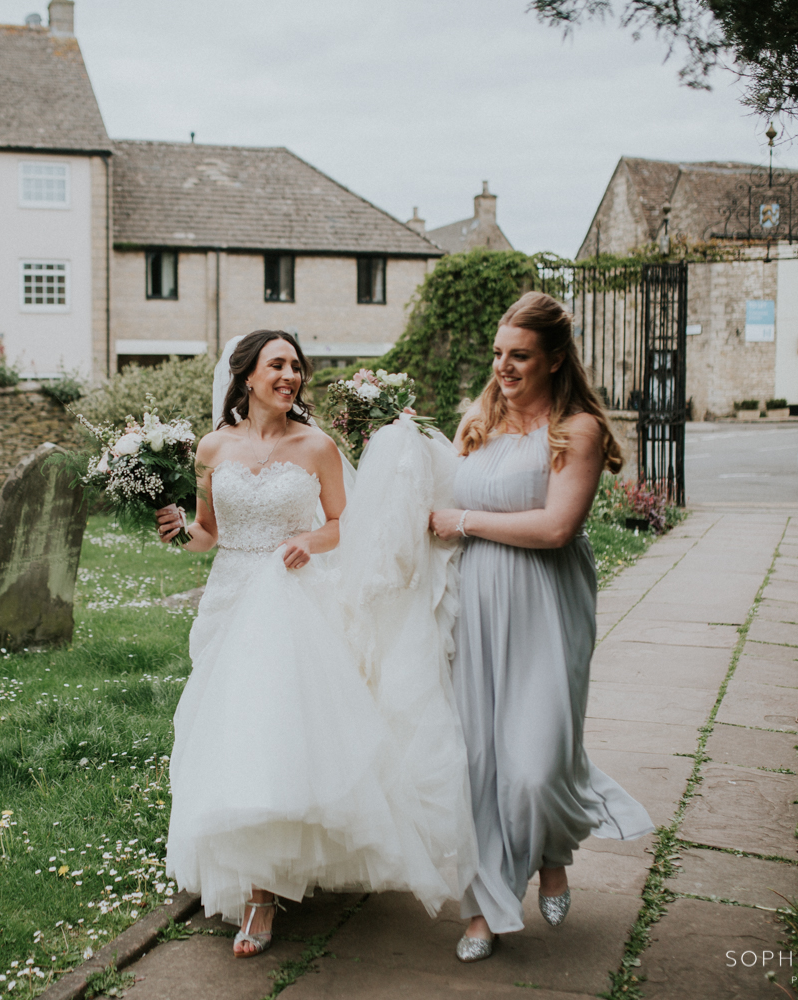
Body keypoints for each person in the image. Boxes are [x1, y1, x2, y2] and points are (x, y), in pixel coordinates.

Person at [155, 330, 470, 958]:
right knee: (234, 733)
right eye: (277, 365)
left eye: (297, 366)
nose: (290, 375)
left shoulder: (318, 446)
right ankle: (251, 868)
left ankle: (263, 894)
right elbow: (209, 534)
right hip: (231, 598)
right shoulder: (211, 447)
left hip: (295, 600)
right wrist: (179, 532)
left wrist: (310, 543)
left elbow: (343, 525)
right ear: (246, 375)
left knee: (282, 731)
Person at [430, 291, 655, 962]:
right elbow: (440, 499)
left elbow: (557, 528)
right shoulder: (476, 421)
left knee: (531, 765)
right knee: (477, 764)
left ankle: (553, 846)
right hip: (474, 604)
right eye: (498, 354)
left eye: (519, 356)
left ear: (555, 360)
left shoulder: (576, 429)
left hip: (544, 606)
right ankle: (484, 910)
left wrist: (462, 522)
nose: (504, 367)